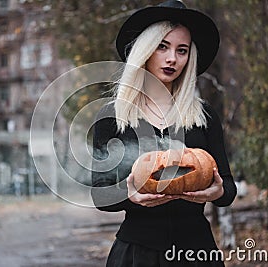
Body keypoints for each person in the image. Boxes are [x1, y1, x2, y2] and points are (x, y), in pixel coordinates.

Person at [91, 1, 237, 266]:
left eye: (182, 50)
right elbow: (100, 195)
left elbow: (227, 187)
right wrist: (130, 193)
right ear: (145, 51)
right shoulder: (114, 118)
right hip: (137, 253)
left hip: (196, 253)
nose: (172, 58)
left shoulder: (203, 116)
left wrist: (216, 192)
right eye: (162, 46)